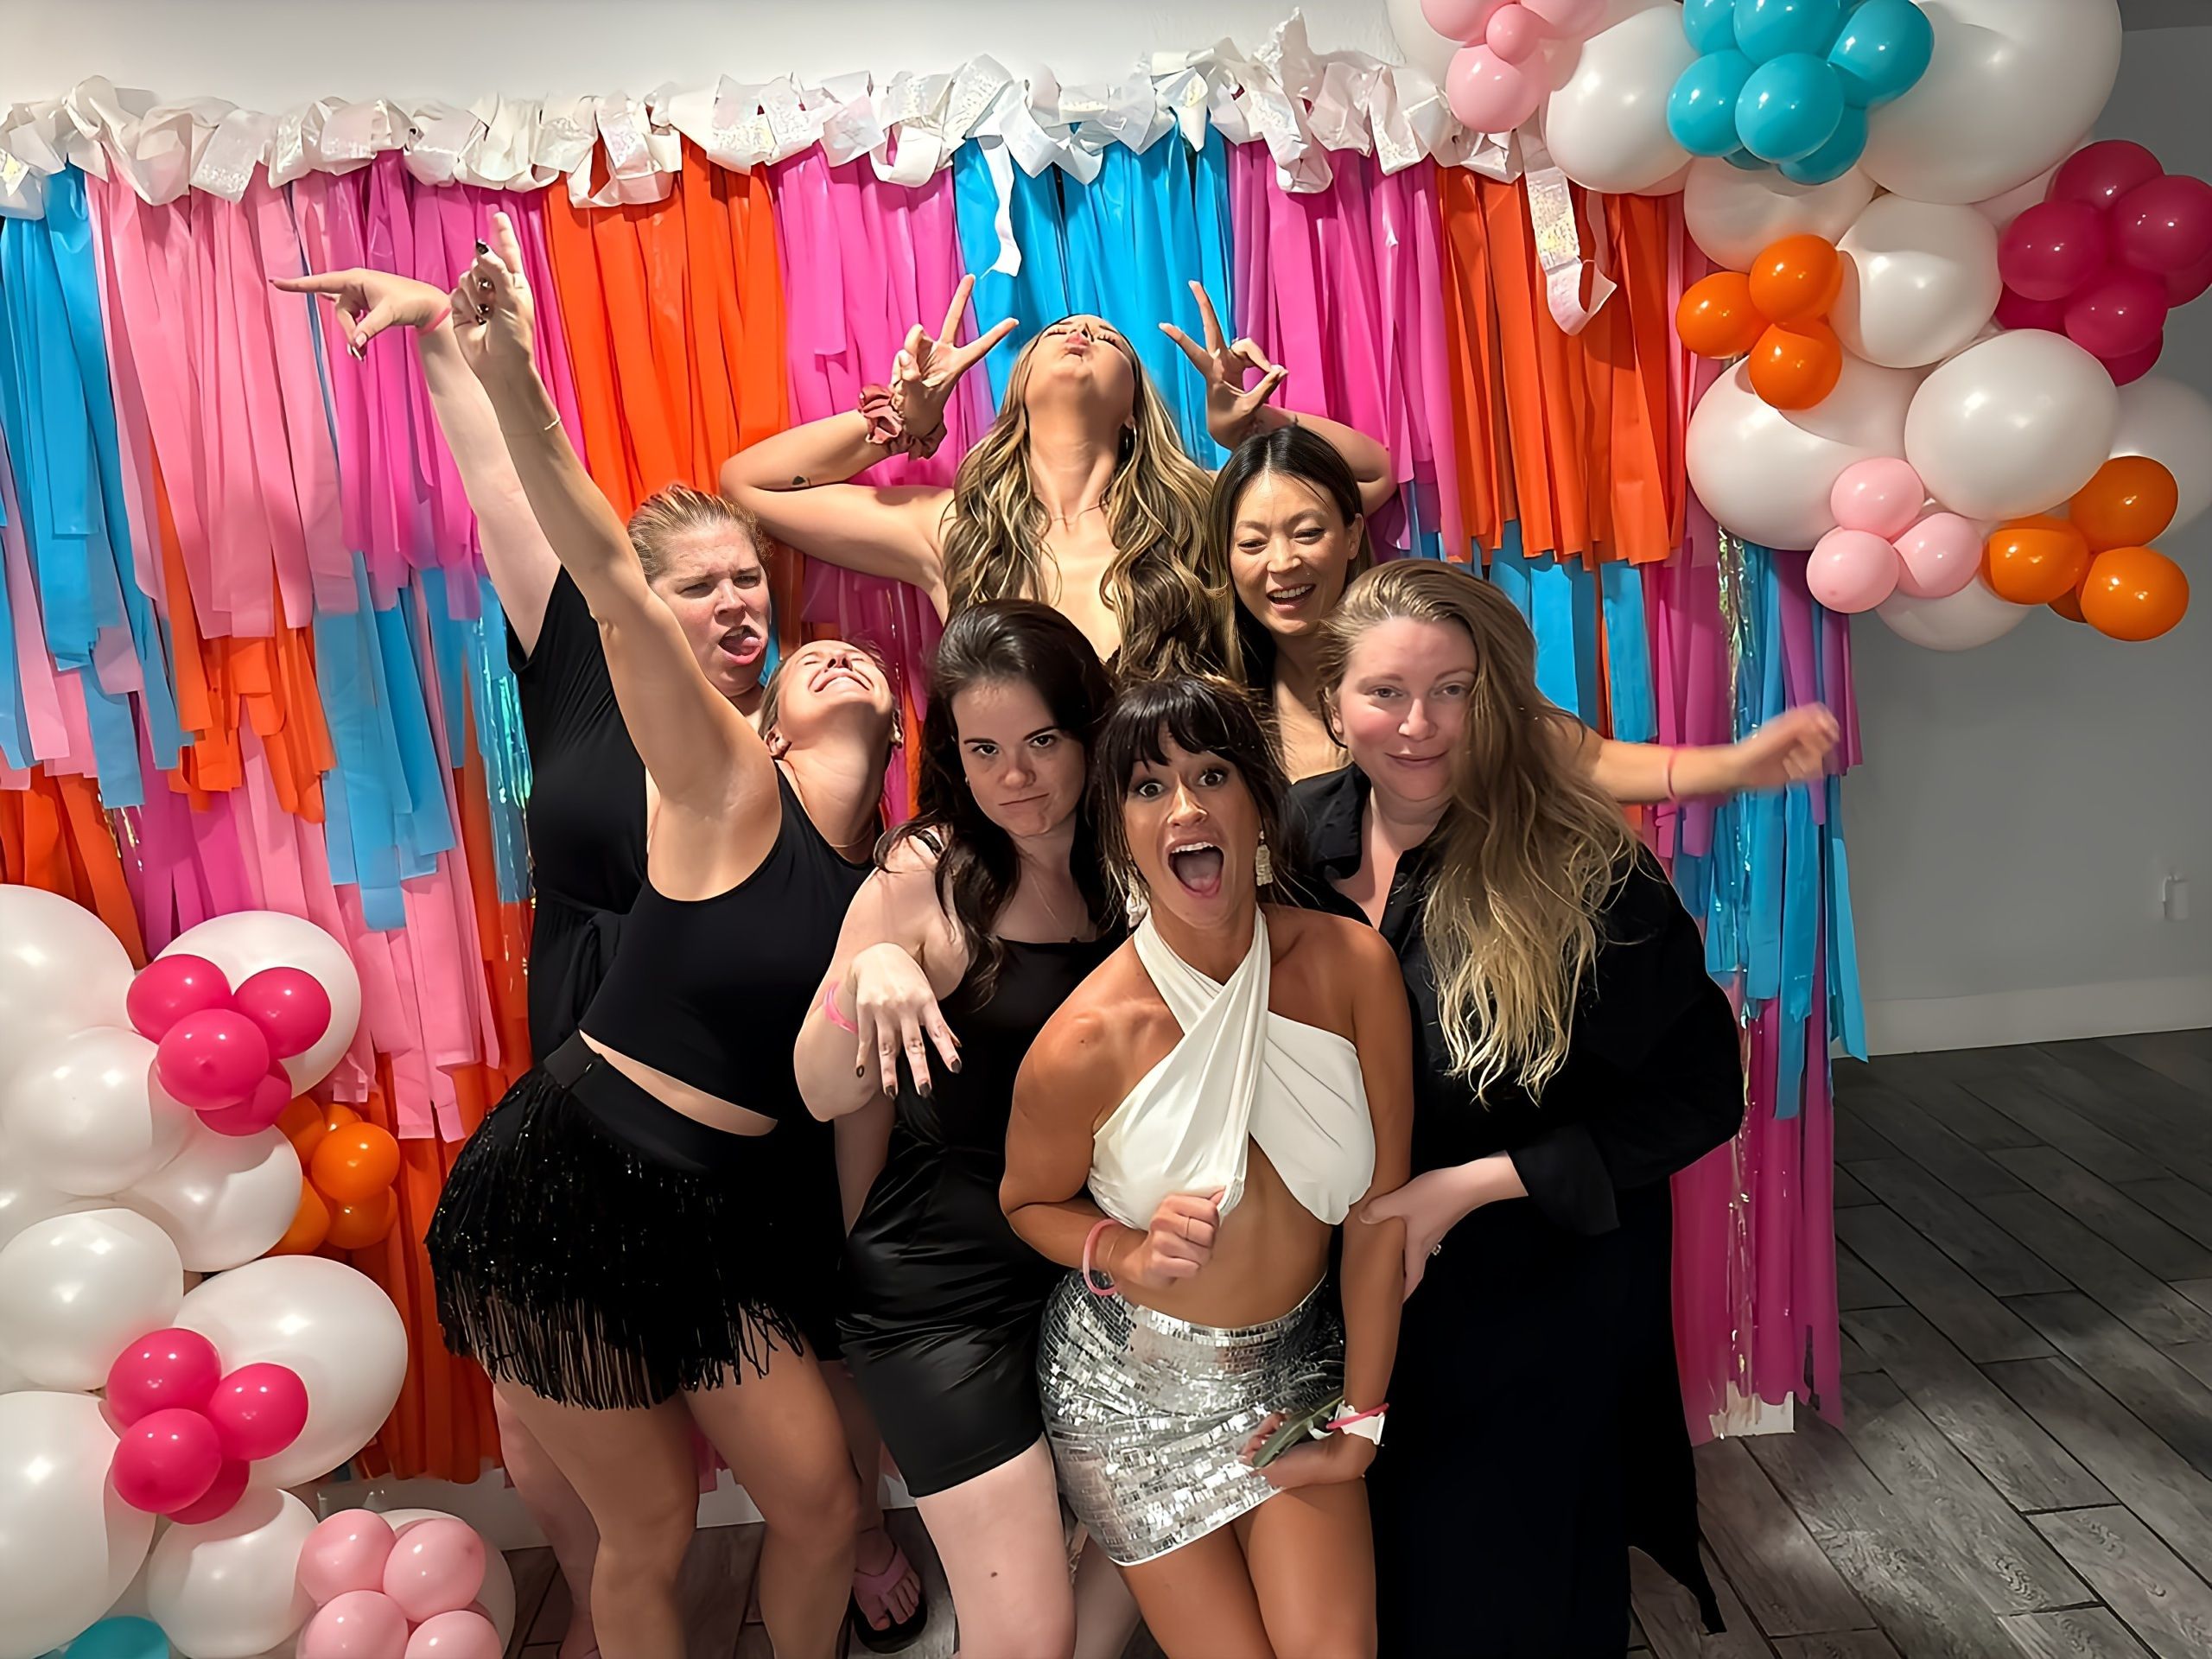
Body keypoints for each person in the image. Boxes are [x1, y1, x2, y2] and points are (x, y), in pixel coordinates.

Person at [281, 238, 927, 1651]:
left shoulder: (806, 784)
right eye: (704, 585)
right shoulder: (613, 674)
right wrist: (462, 350)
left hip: (730, 1132)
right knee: (621, 1514)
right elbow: (546, 521)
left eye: (756, 582)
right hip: (581, 1099)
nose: (742, 605)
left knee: (804, 1491)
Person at [1284, 559, 1752, 1656]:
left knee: (1506, 1591)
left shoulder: (1587, 868)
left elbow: (1699, 1093)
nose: (1419, 726)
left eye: (1454, 689)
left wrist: (1470, 1186)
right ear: (1333, 703)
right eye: (1385, 693)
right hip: (1339, 1295)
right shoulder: (1299, 838)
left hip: (1527, 1283)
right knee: (1373, 1584)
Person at [1002, 675, 1414, 1659]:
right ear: (1119, 828)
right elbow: (1024, 1202)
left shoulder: (1353, 968)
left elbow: (1380, 1214)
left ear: (1257, 805)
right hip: (1129, 1393)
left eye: (1211, 773)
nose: (1184, 806)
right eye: (1148, 787)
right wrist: (1123, 1250)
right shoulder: (1087, 1038)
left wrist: (1363, 1417)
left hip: (1297, 1369)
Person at [796, 600, 1146, 1659]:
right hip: (940, 1290)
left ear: (1090, 729)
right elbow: (819, 1091)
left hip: (1093, 1265)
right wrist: (873, 970)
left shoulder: (1131, 852)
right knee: (1025, 1630)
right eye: (982, 749)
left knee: (1149, 1541)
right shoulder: (924, 873)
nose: (1015, 777)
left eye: (1042, 741)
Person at [721, 278, 1395, 674]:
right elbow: (750, 484)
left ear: (1134, 404)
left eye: (1106, 339)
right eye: (1058, 333)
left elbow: (1369, 477)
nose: (1080, 334)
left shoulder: (1203, 505)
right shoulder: (954, 526)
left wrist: (1253, 428)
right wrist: (899, 422)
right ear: (1016, 393)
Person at [1213, 423, 1840, 789]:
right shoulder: (1219, 699)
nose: (1282, 563)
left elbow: (1581, 755)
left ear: (1352, 536)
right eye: (1252, 542)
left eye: (1307, 532)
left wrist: (1731, 768)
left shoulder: (1427, 644)